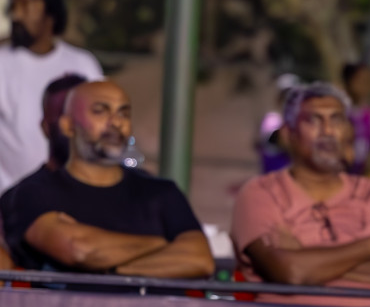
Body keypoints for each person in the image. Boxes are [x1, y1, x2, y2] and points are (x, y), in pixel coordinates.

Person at [232, 82, 370, 307]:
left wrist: (307, 258)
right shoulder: (261, 192)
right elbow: (291, 272)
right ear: (288, 134)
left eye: (337, 120)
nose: (328, 131)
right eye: (314, 120)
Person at [0, 80, 213, 278]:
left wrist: (115, 271)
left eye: (124, 113)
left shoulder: (162, 192)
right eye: (100, 112)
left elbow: (200, 260)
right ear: (67, 126)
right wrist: (165, 244)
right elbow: (79, 250)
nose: (116, 123)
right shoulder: (32, 192)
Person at [0, 0, 103, 192]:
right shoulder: (3, 63)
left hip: (73, 193)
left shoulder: (81, 64)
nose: (17, 15)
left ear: (51, 13)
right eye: (14, 6)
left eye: (27, 5)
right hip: (9, 198)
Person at [41, 73, 90, 170]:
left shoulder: (126, 182)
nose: (77, 126)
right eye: (64, 114)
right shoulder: (30, 185)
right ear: (45, 127)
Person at [342, 63, 370, 174]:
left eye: (368, 81)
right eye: (361, 80)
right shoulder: (341, 111)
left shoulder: (369, 114)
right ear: (349, 81)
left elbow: (369, 146)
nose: (366, 86)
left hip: (358, 175)